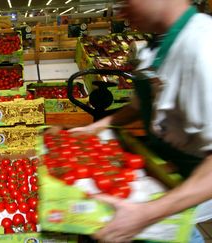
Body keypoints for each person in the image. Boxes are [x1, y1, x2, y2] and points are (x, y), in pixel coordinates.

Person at [63, 0, 212, 242]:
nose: (121, 11)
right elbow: (138, 105)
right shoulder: (157, 45)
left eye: (127, 1)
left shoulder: (203, 45)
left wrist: (146, 214)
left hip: (184, 195)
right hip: (158, 180)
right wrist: (96, 128)